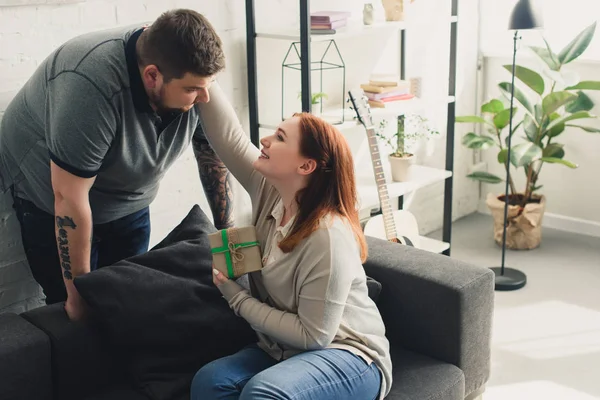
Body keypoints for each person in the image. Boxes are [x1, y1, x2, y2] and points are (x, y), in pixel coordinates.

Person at [0, 9, 235, 320]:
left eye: (209, 86)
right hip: (53, 199)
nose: (205, 97)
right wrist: (77, 294)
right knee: (73, 313)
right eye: (192, 89)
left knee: (127, 302)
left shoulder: (193, 78)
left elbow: (213, 153)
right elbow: (69, 198)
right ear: (152, 75)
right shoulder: (89, 85)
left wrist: (230, 246)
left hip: (129, 198)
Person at [190, 83, 393, 400]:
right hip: (283, 351)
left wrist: (236, 297)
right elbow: (228, 137)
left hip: (351, 355)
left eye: (280, 137)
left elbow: (315, 335)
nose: (265, 140)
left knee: (261, 392)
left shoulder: (328, 235)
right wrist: (204, 78)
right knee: (210, 381)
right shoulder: (268, 191)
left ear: (306, 165)